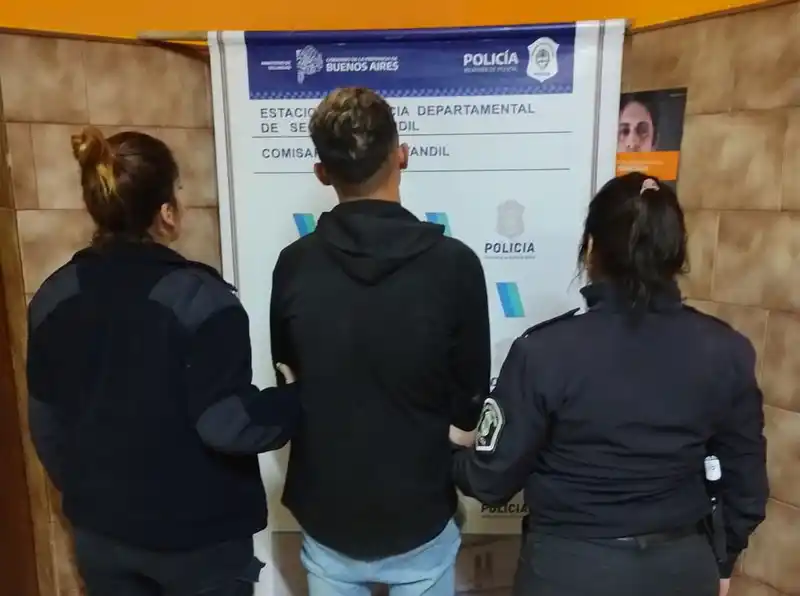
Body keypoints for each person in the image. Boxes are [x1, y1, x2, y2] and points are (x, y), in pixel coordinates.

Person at [453, 172, 768, 596]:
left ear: (590, 249)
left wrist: (441, 447)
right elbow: (747, 485)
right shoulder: (726, 350)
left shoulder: (544, 351)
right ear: (676, 252)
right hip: (682, 568)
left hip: (570, 572)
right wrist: (723, 559)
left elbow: (490, 482)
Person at [27, 127, 300, 596]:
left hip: (102, 536)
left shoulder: (52, 297)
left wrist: (91, 495)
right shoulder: (202, 300)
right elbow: (228, 425)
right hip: (199, 544)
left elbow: (46, 424)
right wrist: (295, 398)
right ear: (166, 212)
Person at [270, 87, 490, 595]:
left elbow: (289, 378)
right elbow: (470, 399)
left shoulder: (294, 265)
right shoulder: (455, 266)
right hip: (421, 509)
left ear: (322, 173)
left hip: (328, 512)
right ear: (402, 155)